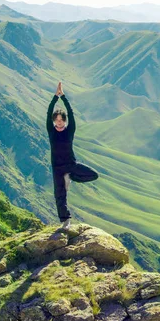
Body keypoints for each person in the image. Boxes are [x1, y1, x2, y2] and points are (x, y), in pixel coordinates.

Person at [47, 82, 98, 229]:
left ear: (65, 121)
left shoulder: (70, 130)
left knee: (93, 175)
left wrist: (63, 96)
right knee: (59, 195)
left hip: (71, 165)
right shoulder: (51, 131)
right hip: (57, 168)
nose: (59, 123)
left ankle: (71, 178)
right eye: (56, 121)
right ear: (53, 121)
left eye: (62, 120)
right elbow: (48, 111)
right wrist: (54, 97)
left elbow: (71, 113)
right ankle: (66, 220)